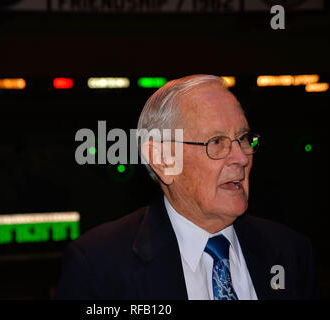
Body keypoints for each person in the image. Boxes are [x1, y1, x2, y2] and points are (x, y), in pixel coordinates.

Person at [55, 74, 316, 300]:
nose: (242, 157)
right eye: (216, 142)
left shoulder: (289, 252)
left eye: (244, 138)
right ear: (163, 160)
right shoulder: (99, 266)